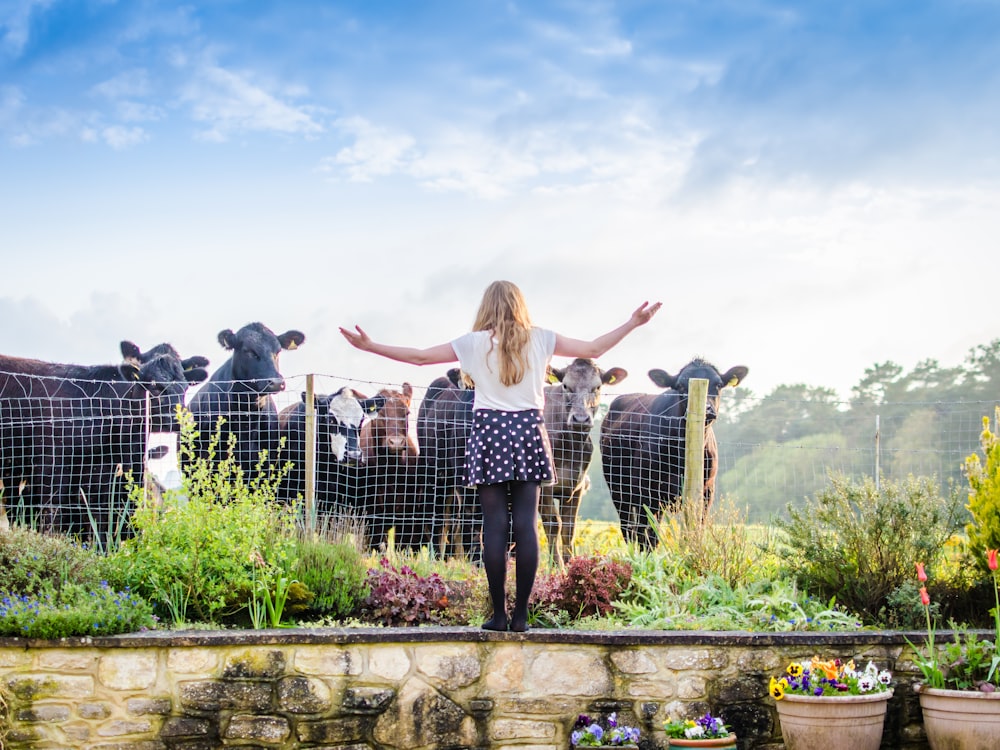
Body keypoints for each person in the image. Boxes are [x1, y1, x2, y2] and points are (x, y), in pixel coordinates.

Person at [340, 280, 661, 632]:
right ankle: (521, 616)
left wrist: (370, 346)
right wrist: (633, 323)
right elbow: (595, 349)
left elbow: (418, 357)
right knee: (526, 524)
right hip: (528, 431)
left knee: (493, 525)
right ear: (521, 306)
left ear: (486, 307)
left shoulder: (472, 343)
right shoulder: (542, 339)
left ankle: (498, 615)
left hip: (489, 432)